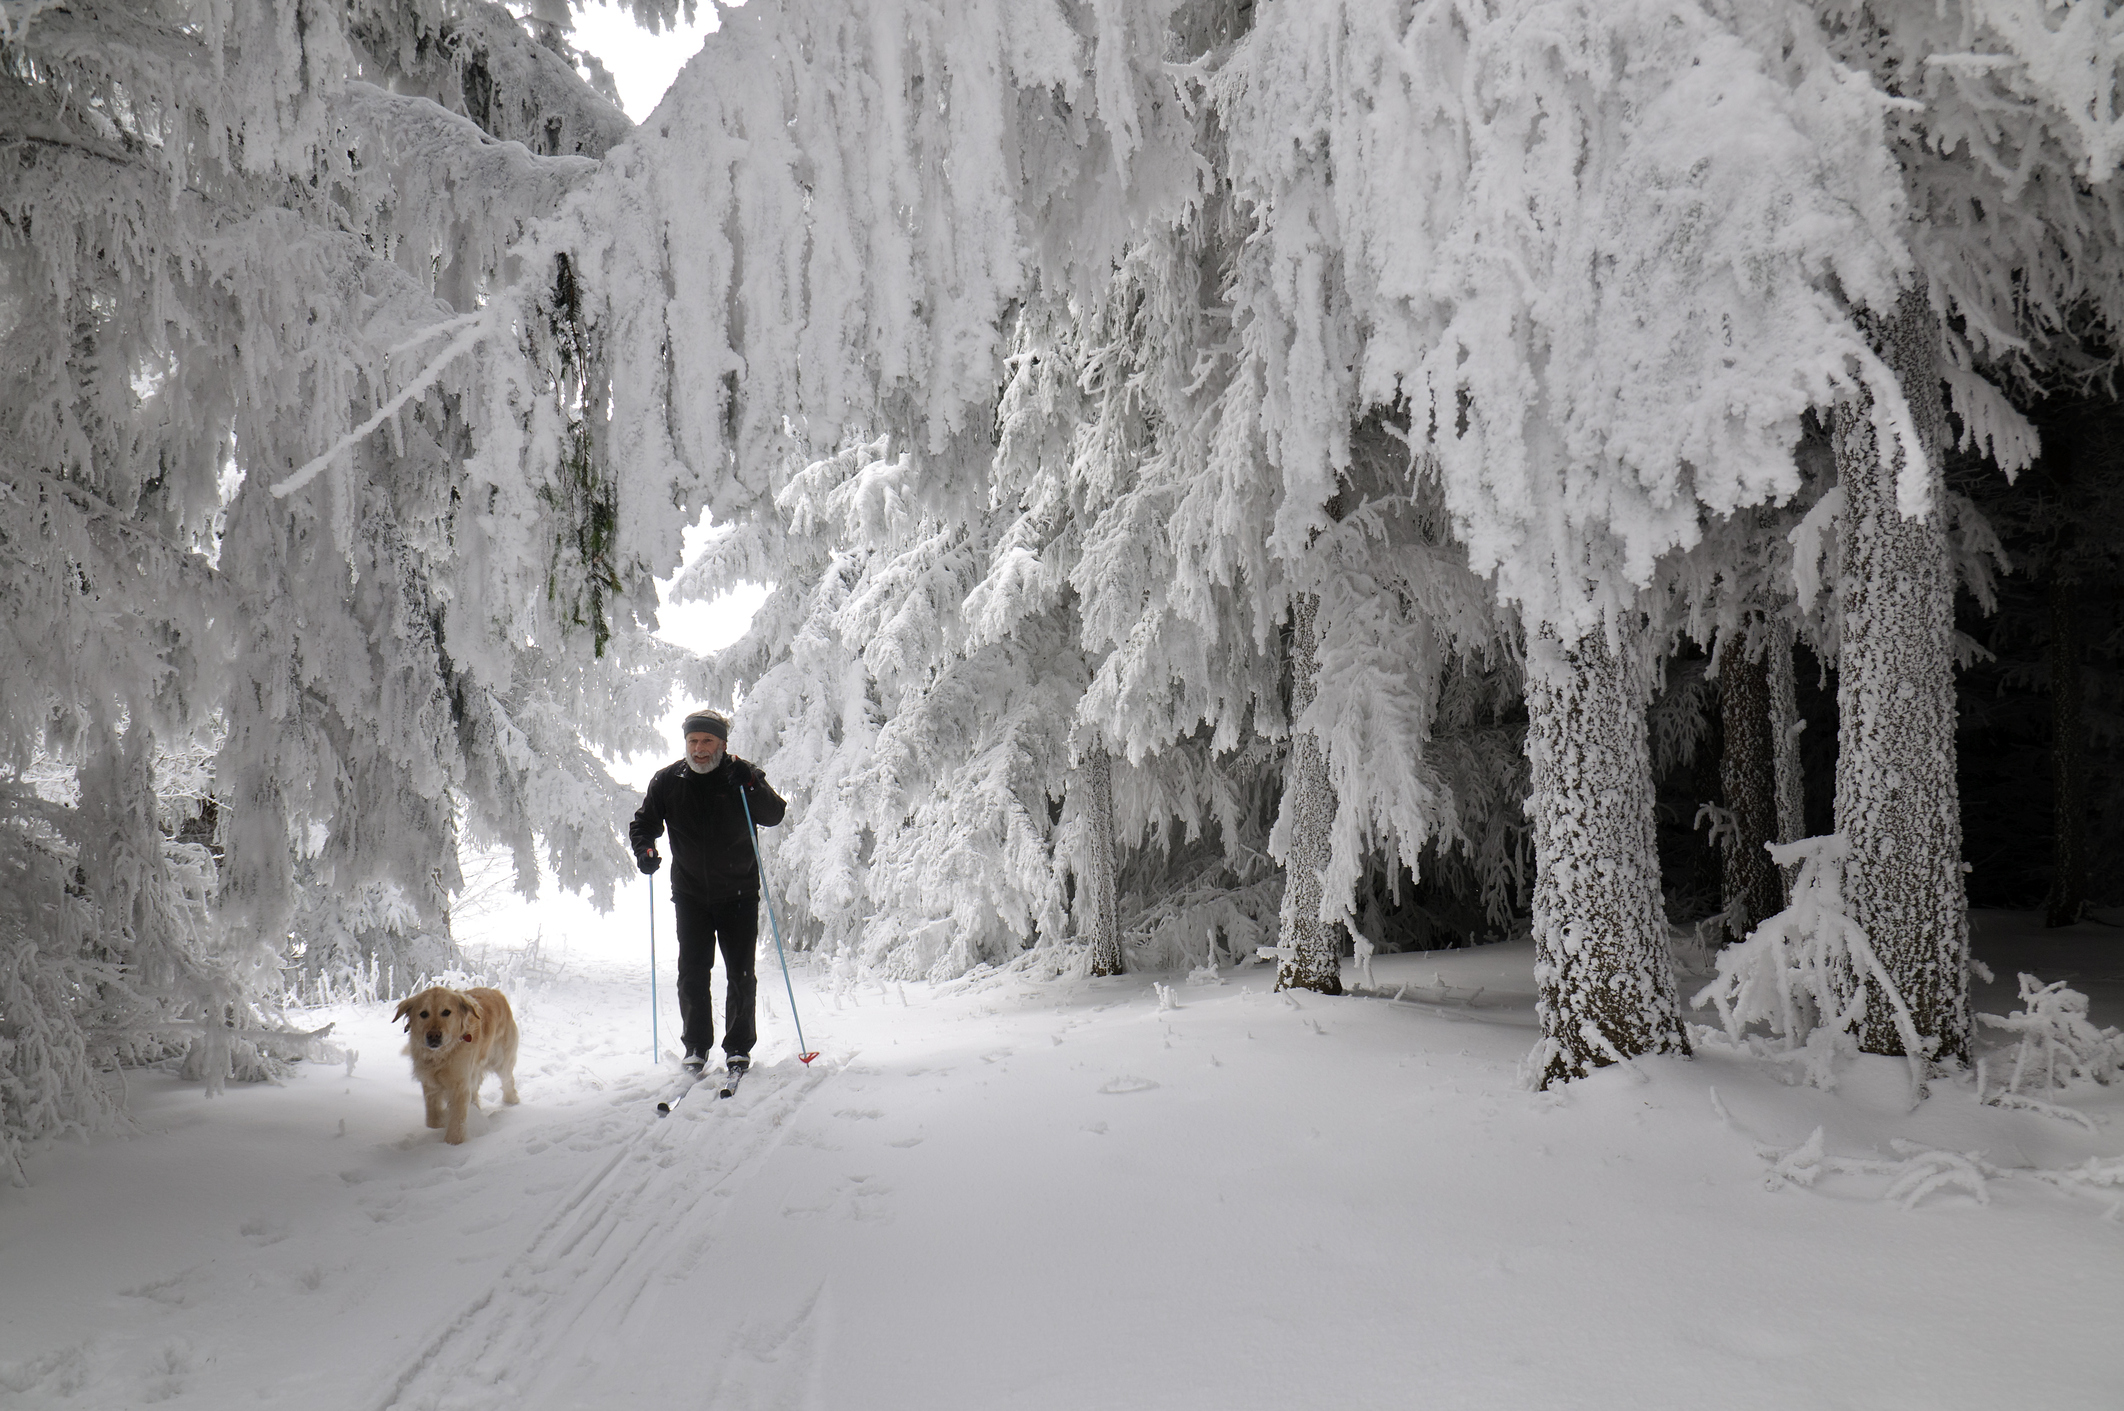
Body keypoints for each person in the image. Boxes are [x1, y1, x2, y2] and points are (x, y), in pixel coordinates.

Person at [628, 709, 787, 1074]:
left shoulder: (740, 775)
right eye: (693, 741)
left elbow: (773, 814)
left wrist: (750, 782)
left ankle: (738, 1048)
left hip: (739, 893)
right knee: (692, 973)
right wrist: (645, 850)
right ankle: (696, 1046)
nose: (699, 749)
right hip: (691, 895)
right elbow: (644, 824)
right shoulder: (668, 780)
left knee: (741, 974)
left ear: (722, 744)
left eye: (707, 741)